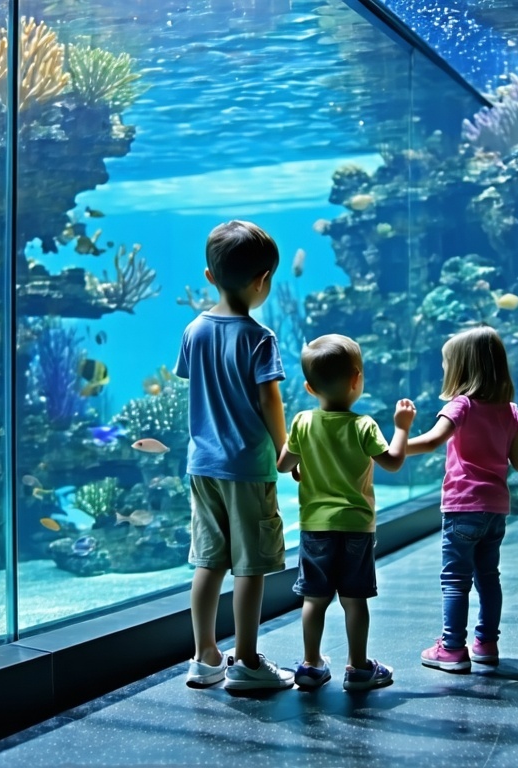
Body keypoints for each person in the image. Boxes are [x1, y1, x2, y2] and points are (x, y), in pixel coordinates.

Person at [176, 220, 294, 691]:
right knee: (251, 565)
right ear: (264, 280)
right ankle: (245, 660)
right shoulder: (259, 337)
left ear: (209, 276)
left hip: (202, 466)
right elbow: (270, 401)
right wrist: (288, 451)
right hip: (247, 467)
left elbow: (196, 385)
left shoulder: (194, 330)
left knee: (209, 561)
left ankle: (204, 656)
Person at [404, 326, 518, 672]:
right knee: (488, 577)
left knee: (454, 580)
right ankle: (486, 643)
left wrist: (391, 448)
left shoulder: (461, 405)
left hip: (463, 508)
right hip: (495, 511)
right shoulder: (509, 411)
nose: (445, 370)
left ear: (462, 368)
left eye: (448, 364)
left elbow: (432, 441)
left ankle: (452, 648)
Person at [277, 334, 415, 691]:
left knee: (314, 599)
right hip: (356, 527)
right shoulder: (364, 425)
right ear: (357, 379)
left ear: (308, 387)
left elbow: (283, 464)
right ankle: (358, 669)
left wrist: (300, 465)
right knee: (354, 601)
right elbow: (394, 463)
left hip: (315, 528)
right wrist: (401, 428)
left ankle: (310, 665)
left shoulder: (303, 422)